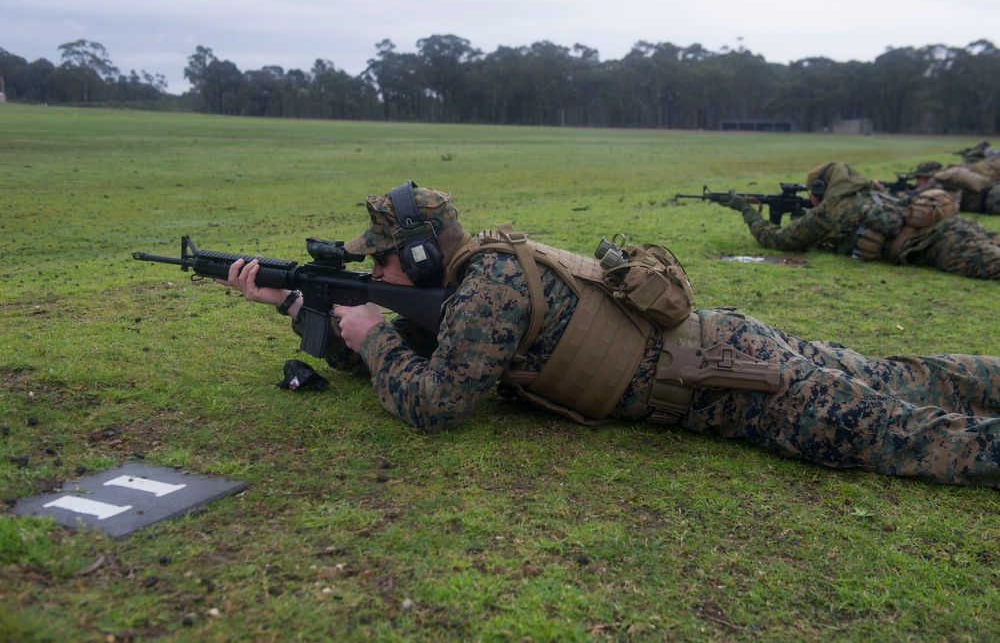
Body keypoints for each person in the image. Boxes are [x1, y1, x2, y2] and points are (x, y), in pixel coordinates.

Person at [220, 181, 1000, 489]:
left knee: (904, 432)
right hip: (726, 347)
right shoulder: (475, 278)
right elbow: (429, 351)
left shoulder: (485, 288)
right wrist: (300, 308)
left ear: (422, 251)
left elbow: (437, 402)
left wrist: (369, 334)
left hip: (730, 382)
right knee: (903, 376)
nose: (379, 273)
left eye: (383, 259)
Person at [717, 161, 1000, 280]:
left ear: (819, 189)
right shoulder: (866, 192)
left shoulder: (832, 210)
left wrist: (745, 209)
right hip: (955, 228)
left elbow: (777, 240)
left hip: (941, 244)